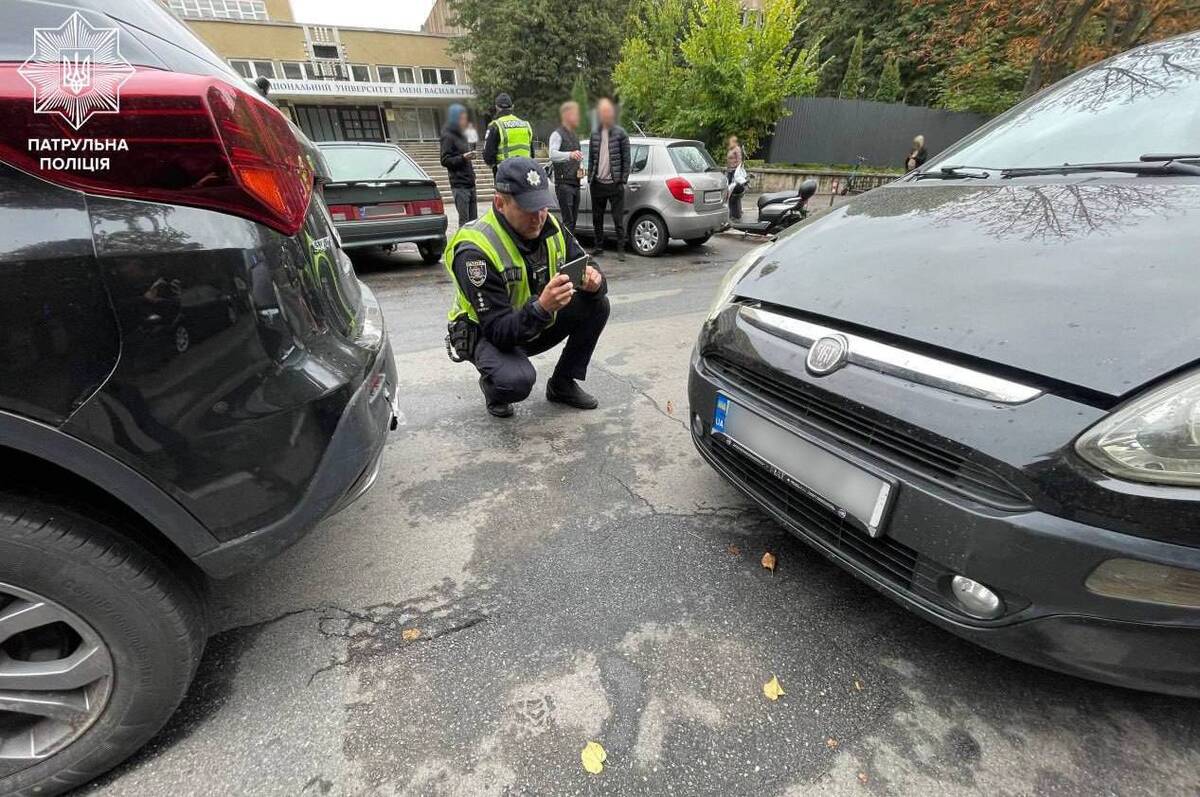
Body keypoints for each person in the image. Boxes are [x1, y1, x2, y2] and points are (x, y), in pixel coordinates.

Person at [444, 157, 609, 418]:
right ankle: (494, 387)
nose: (539, 216)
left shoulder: (551, 225)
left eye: (543, 206)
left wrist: (594, 281)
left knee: (597, 303)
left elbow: (588, 265)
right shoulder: (475, 251)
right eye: (528, 208)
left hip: (531, 319)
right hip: (487, 332)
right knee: (515, 381)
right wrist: (543, 308)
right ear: (500, 203)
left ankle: (562, 384)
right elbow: (497, 330)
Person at [587, 98, 631, 261]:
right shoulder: (595, 133)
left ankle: (621, 249)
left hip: (614, 184)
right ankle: (599, 246)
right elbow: (591, 158)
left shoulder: (621, 133)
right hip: (597, 184)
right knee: (596, 218)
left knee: (618, 219)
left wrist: (622, 180)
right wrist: (589, 177)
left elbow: (627, 159)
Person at [548, 100, 585, 235]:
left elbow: (577, 157)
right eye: (576, 114)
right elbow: (552, 154)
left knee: (573, 221)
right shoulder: (557, 134)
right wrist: (570, 155)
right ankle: (567, 251)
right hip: (564, 184)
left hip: (576, 183)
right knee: (568, 221)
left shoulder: (575, 136)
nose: (578, 117)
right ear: (567, 115)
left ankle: (570, 249)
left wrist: (581, 170)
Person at [440, 103, 477, 226]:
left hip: (470, 182)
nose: (464, 121)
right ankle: (463, 244)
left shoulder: (463, 135)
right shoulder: (448, 136)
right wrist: (463, 157)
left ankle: (473, 244)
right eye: (461, 118)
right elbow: (445, 160)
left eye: (465, 118)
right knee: (465, 222)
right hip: (460, 185)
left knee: (474, 222)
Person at [482, 93, 534, 174]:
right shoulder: (526, 124)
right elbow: (532, 154)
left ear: (496, 107)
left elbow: (488, 156)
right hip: (526, 173)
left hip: (505, 174)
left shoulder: (495, 125)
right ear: (512, 107)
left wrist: (494, 167)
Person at [725, 134, 746, 221]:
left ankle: (735, 213)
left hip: (734, 173)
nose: (730, 142)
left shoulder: (736, 149)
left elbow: (739, 161)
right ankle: (736, 212)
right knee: (732, 193)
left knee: (733, 193)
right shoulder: (731, 149)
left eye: (731, 141)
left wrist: (736, 174)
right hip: (730, 171)